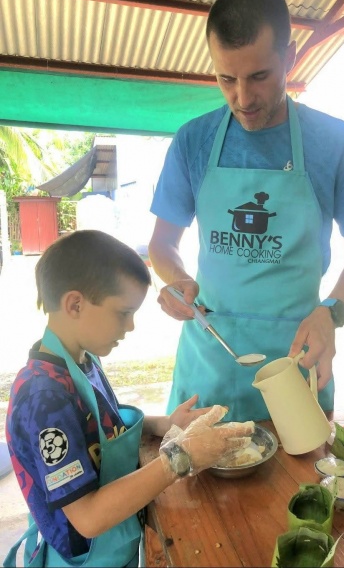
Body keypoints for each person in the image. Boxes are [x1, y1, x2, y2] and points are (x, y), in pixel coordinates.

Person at [148, 0, 344, 423]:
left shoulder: (336, 142)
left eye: (259, 76)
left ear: (289, 58)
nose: (242, 98)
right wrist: (178, 281)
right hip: (209, 363)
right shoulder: (193, 140)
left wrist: (331, 311)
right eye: (226, 79)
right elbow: (162, 243)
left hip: (295, 361)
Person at [4, 230, 253, 568]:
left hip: (116, 542)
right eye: (123, 313)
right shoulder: (44, 399)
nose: (131, 326)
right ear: (75, 304)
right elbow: (88, 517)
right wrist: (180, 458)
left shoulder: (82, 360)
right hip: (87, 557)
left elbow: (100, 427)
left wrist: (164, 424)